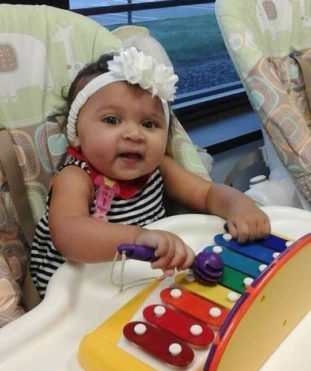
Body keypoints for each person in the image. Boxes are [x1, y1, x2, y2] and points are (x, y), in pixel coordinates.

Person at [30, 45, 270, 299]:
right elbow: (68, 234)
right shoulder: (75, 176)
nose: (134, 134)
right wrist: (137, 238)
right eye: (112, 120)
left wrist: (239, 207)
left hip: (142, 276)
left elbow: (207, 192)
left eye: (149, 124)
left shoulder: (159, 167)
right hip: (79, 289)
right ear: (76, 134)